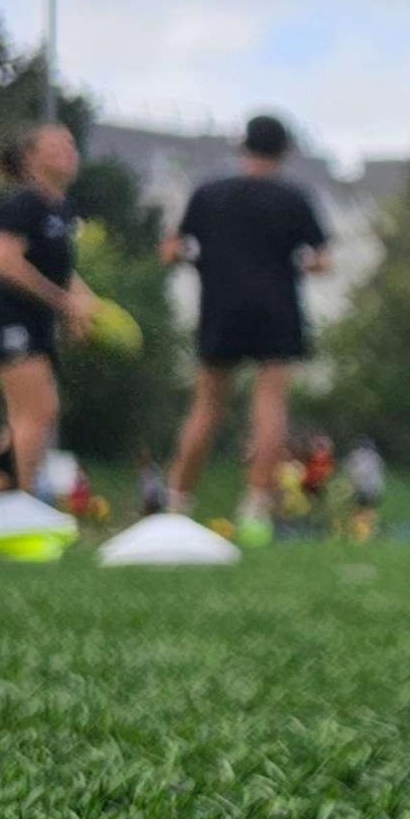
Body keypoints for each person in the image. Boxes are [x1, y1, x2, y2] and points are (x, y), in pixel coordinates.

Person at [160, 110, 334, 526]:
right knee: (270, 406)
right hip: (277, 309)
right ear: (285, 151)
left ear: (242, 145)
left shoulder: (209, 194)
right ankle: (256, 506)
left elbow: (171, 250)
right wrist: (294, 263)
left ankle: (177, 502)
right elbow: (322, 261)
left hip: (221, 307)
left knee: (206, 406)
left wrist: (201, 259)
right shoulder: (294, 198)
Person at [0, 122, 96, 496]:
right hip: (5, 318)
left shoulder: (61, 208)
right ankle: (22, 504)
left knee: (37, 415)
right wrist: (64, 303)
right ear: (30, 160)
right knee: (35, 412)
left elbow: (62, 272)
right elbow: (5, 263)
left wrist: (84, 308)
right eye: (55, 148)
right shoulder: (24, 203)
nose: (68, 153)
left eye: (70, 145)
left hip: (33, 321)